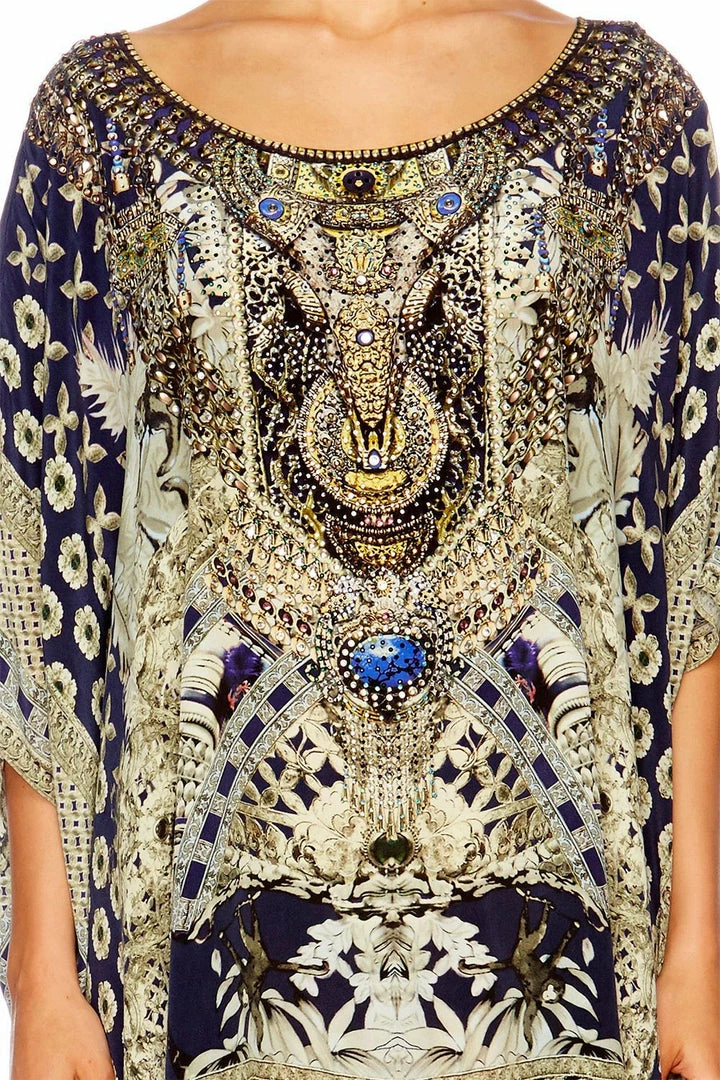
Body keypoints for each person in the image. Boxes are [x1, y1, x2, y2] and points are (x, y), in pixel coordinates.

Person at [0, 0, 719, 1077]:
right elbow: (38, 559)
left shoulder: (630, 110)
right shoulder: (97, 125)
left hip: (555, 937)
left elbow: (689, 537)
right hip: (199, 937)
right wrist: (44, 982)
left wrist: (700, 949)